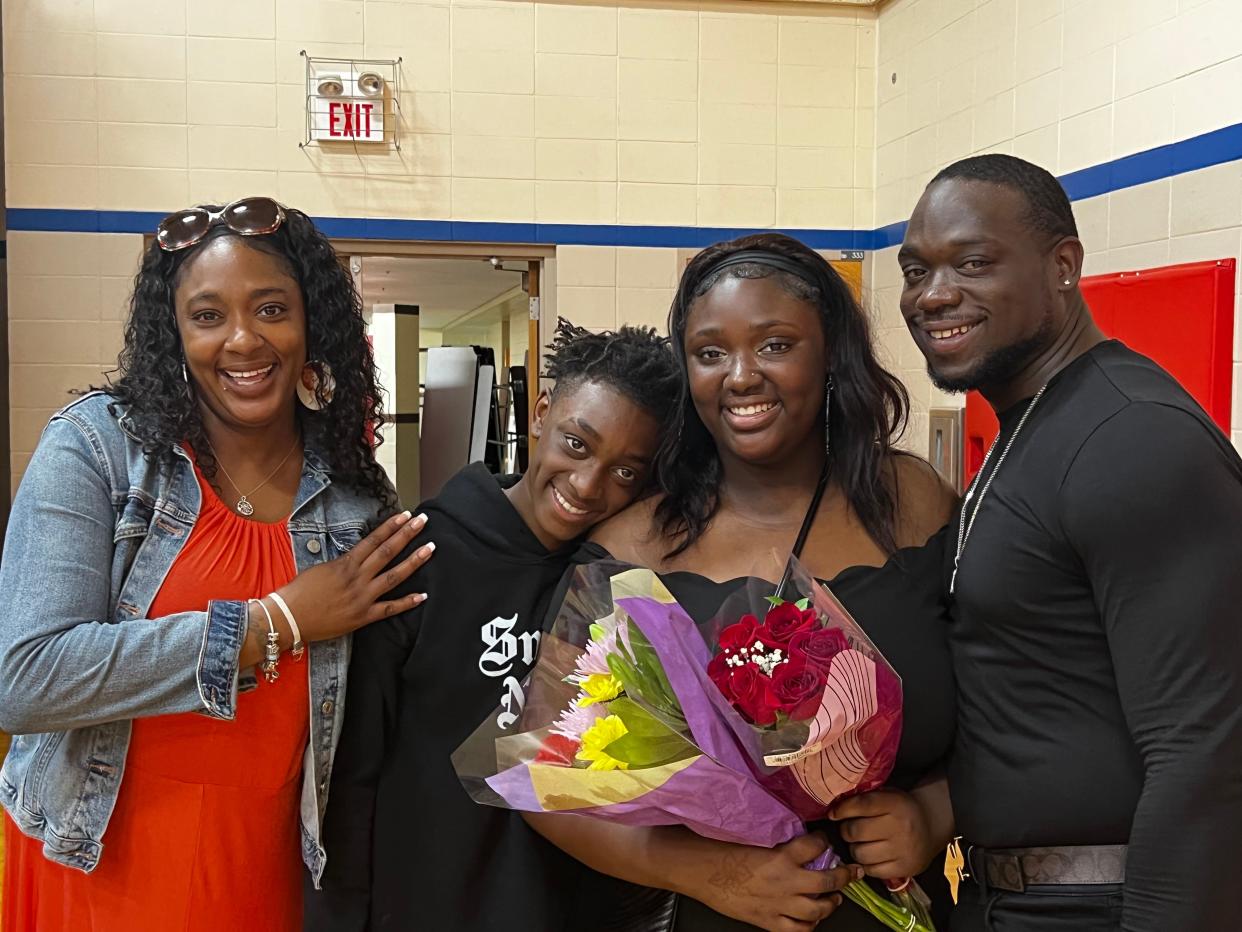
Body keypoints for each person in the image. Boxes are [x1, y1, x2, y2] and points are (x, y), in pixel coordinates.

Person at [0, 197, 433, 932]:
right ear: (174, 332)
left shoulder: (356, 499)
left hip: (267, 871)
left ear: (311, 324)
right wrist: (277, 621)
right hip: (96, 858)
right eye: (208, 316)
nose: (242, 340)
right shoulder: (99, 448)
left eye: (271, 309)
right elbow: (27, 678)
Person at [528, 233, 960, 932]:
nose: (739, 375)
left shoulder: (909, 504)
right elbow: (541, 777)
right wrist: (707, 871)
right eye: (709, 352)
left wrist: (933, 811)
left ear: (830, 356)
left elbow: (1014, 701)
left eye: (775, 345)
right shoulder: (630, 548)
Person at [896, 154, 1242, 931]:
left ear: (1063, 266)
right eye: (916, 270)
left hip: (1101, 903)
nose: (934, 294)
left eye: (973, 263)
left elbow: (1206, 752)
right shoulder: (1038, 423)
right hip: (1006, 898)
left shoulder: (1132, 436)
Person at [306, 320, 689, 932]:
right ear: (541, 414)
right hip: (426, 904)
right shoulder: (421, 558)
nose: (587, 485)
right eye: (577, 444)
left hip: (570, 907)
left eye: (625, 472)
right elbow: (349, 773)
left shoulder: (620, 586)